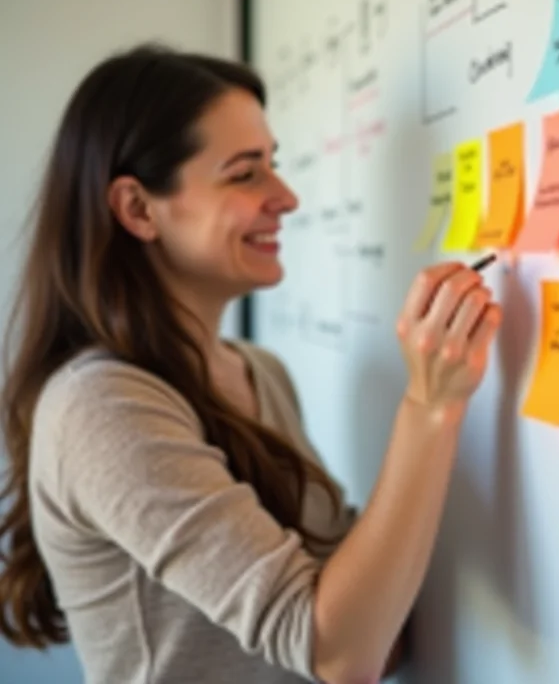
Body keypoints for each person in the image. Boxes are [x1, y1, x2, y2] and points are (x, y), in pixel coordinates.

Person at [0, 44, 501, 683]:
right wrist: (429, 407)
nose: (286, 197)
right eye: (245, 174)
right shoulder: (101, 408)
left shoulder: (260, 372)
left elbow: (367, 605)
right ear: (137, 209)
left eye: (274, 165)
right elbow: (340, 652)